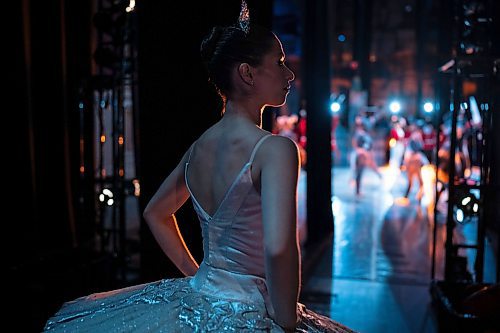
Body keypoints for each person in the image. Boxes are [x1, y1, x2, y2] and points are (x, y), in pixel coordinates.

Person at [43, 2, 356, 332]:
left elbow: (155, 212)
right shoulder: (275, 149)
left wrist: (199, 276)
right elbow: (278, 248)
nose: (289, 72)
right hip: (252, 309)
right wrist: (286, 320)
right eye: (278, 62)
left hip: (200, 295)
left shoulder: (199, 147)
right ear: (247, 73)